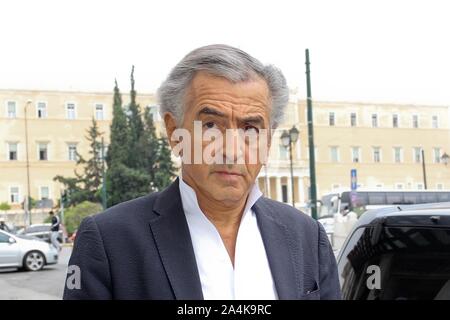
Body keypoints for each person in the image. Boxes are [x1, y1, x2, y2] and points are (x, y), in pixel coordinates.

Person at [64, 44, 341, 300]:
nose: (232, 150)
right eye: (210, 125)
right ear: (174, 132)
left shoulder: (307, 237)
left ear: (268, 142)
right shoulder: (110, 241)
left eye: (250, 129)